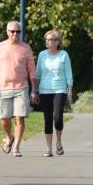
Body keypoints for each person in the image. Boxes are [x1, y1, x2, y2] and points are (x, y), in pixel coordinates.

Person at [0, 20, 38, 157]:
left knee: (20, 118)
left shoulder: (26, 48)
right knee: (4, 119)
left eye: (18, 31)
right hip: (3, 88)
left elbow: (32, 70)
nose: (15, 34)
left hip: (21, 88)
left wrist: (34, 90)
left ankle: (16, 147)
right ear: (7, 32)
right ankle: (9, 136)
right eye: (13, 31)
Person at [34, 29, 73, 157]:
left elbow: (68, 74)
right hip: (45, 90)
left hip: (60, 89)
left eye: (50, 39)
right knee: (47, 119)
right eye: (46, 39)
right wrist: (35, 91)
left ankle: (59, 141)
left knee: (57, 118)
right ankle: (48, 148)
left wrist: (69, 92)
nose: (48, 41)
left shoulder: (64, 55)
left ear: (57, 41)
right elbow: (38, 74)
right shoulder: (42, 55)